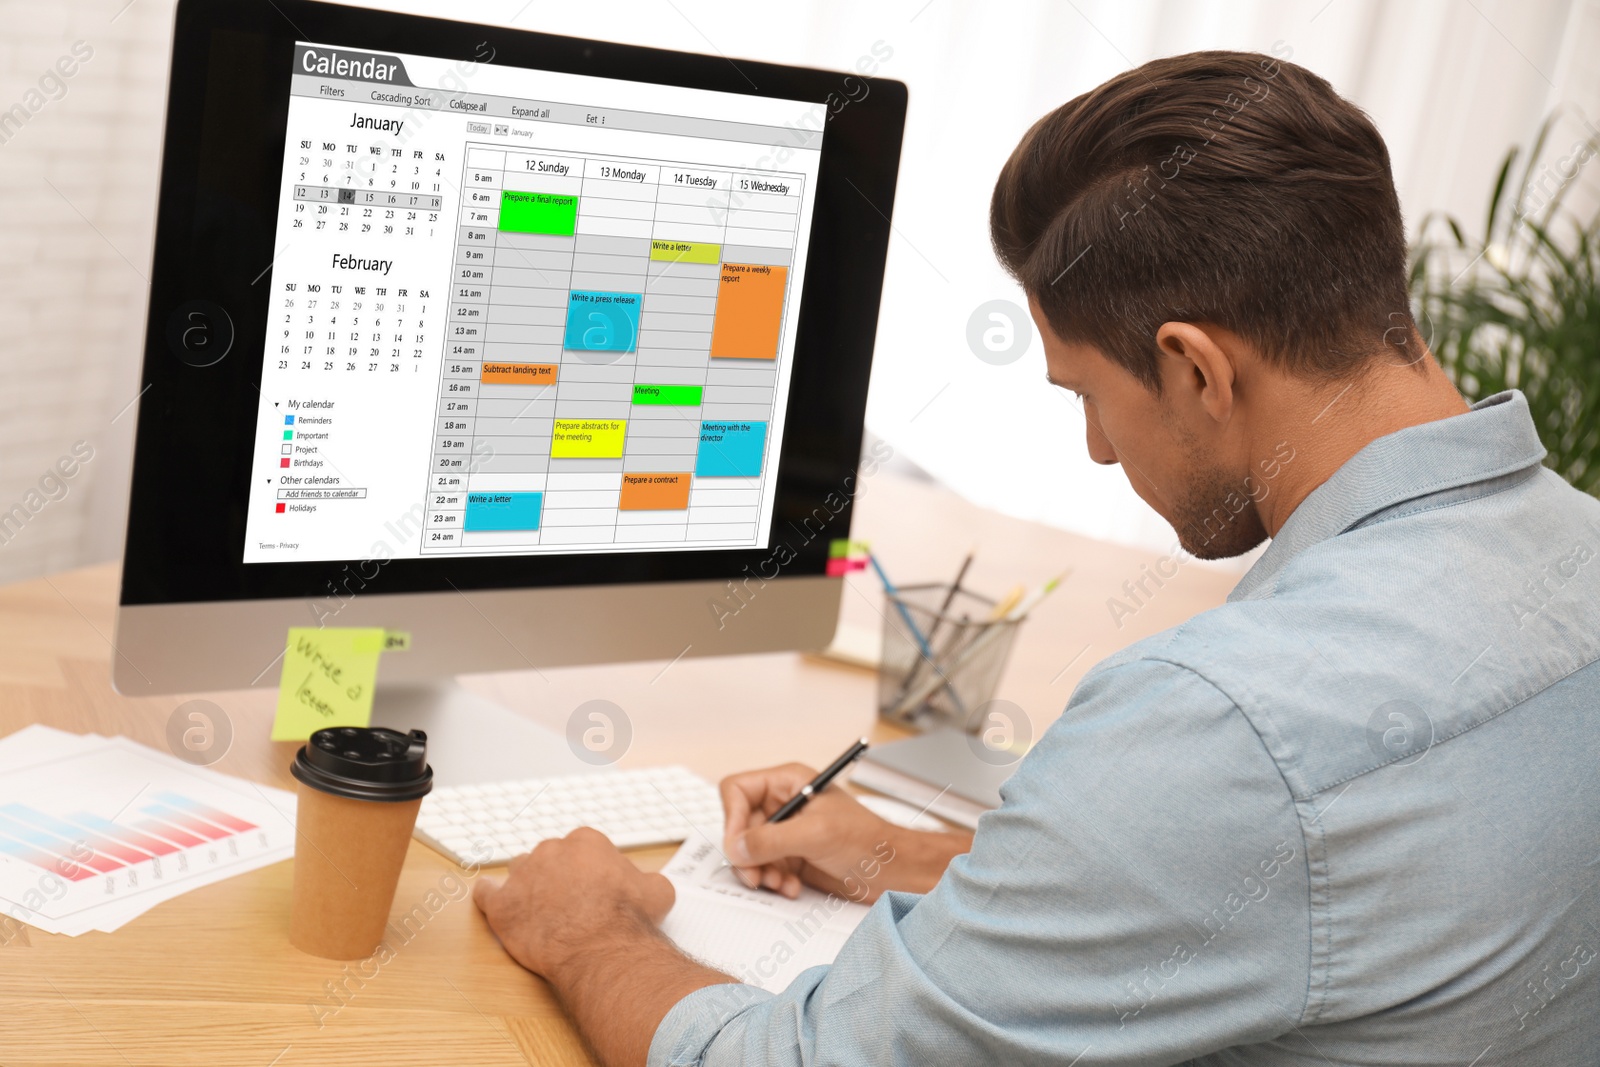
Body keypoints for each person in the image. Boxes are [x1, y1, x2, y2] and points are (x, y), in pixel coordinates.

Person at [472, 50, 1600, 1066]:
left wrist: (588, 930)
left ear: (1195, 369)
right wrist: (907, 858)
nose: (1099, 449)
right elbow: (1309, 889)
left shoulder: (1225, 722)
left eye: (1090, 399)